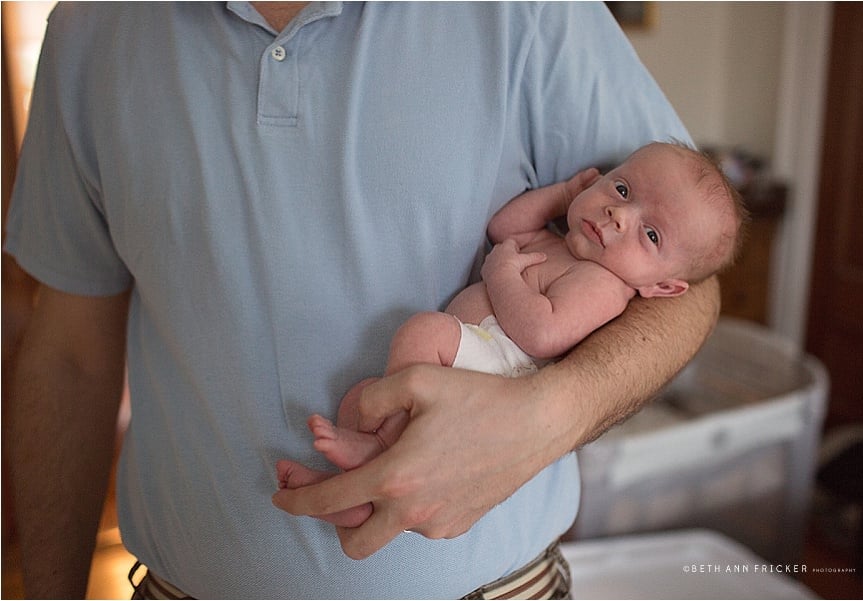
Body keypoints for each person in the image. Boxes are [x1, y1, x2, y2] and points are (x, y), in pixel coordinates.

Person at [4, 3, 721, 599]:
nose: (621, 212)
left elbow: (692, 288)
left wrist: (544, 417)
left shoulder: (531, 11)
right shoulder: (92, 28)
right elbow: (67, 353)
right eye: (620, 196)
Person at [276, 142, 745, 526]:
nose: (620, 215)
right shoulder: (562, 244)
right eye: (621, 189)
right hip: (477, 352)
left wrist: (501, 274)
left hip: (499, 370)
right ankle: (354, 492)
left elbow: (542, 333)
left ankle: (382, 448)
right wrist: (562, 196)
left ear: (662, 287)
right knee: (360, 399)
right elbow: (505, 227)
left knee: (423, 333)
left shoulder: (605, 287)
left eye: (652, 235)